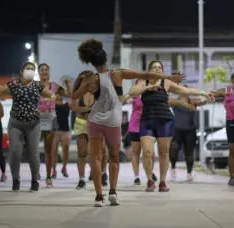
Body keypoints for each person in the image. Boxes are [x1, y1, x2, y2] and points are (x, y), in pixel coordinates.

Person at [73, 39, 212, 206]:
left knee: (95, 158)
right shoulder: (118, 73)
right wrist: (168, 77)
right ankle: (112, 192)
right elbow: (145, 75)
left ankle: (98, 196)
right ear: (105, 59)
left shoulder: (90, 80)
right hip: (113, 122)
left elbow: (74, 96)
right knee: (115, 158)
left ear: (92, 63)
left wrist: (81, 82)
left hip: (95, 121)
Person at [129, 60, 213, 192]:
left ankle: (162, 181)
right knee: (147, 152)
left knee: (164, 152)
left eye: (159, 68)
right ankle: (150, 180)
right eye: (154, 67)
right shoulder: (143, 82)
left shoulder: (166, 83)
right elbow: (132, 92)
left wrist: (204, 92)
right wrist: (147, 88)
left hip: (165, 121)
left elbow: (185, 90)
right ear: (149, 70)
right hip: (147, 121)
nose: (157, 69)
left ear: (162, 71)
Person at [0, 62, 56, 192]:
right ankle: (16, 179)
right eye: (28, 68)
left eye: (33, 69)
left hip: (33, 124)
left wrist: (51, 98)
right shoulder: (14, 84)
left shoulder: (38, 85)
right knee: (15, 152)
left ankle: (35, 181)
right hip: (16, 123)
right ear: (22, 71)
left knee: (33, 154)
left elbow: (51, 94)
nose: (31, 71)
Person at [71, 71, 108, 189]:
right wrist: (88, 109)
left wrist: (84, 109)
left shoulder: (99, 91)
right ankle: (82, 179)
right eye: (82, 80)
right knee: (82, 152)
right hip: (81, 123)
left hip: (97, 123)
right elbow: (74, 108)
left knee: (101, 151)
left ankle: (102, 174)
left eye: (87, 79)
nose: (85, 82)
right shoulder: (77, 93)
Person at [169, 85, 208, 181]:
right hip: (177, 130)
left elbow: (203, 101)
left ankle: (189, 173)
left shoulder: (192, 101)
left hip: (190, 130)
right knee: (173, 149)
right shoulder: (175, 101)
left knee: (189, 152)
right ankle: (173, 168)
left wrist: (207, 98)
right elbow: (168, 101)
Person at [127, 81, 157, 185]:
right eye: (139, 83)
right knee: (136, 152)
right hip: (135, 126)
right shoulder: (135, 95)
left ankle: (150, 172)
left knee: (151, 153)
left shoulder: (150, 94)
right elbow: (125, 99)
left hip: (148, 125)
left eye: (143, 83)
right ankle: (136, 176)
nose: (142, 85)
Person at [49, 82, 72, 187]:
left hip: (65, 130)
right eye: (57, 94)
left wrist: (67, 85)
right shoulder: (52, 104)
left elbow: (72, 95)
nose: (59, 96)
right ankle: (54, 170)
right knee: (53, 151)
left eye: (60, 94)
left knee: (66, 149)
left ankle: (64, 167)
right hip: (55, 130)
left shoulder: (67, 104)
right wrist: (54, 86)